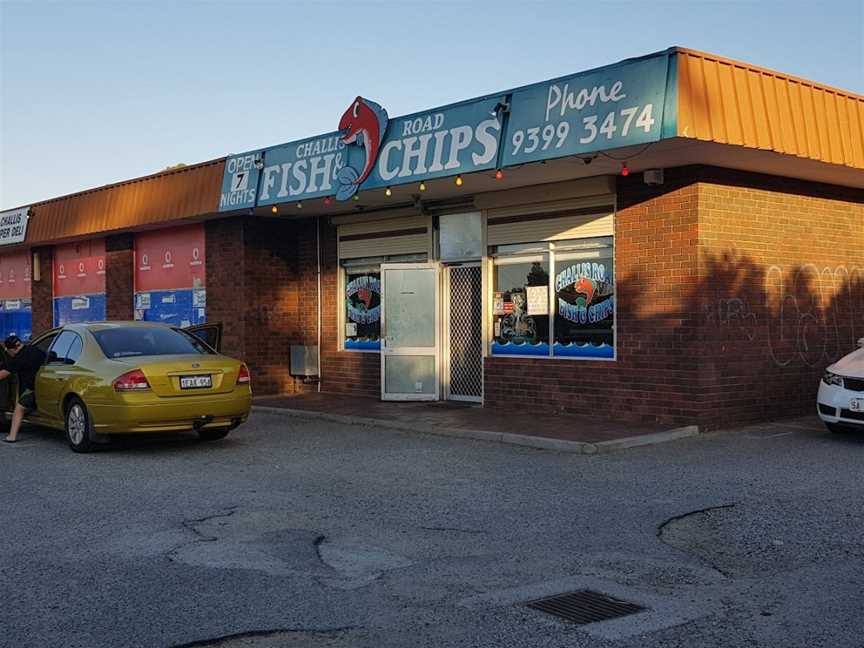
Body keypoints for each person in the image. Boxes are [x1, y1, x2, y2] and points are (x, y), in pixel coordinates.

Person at [0, 335, 46, 443]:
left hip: (32, 389)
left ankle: (12, 436)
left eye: (8, 351)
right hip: (45, 386)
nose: (9, 354)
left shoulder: (18, 358)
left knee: (19, 408)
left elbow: (3, 374)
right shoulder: (35, 349)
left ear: (12, 349)